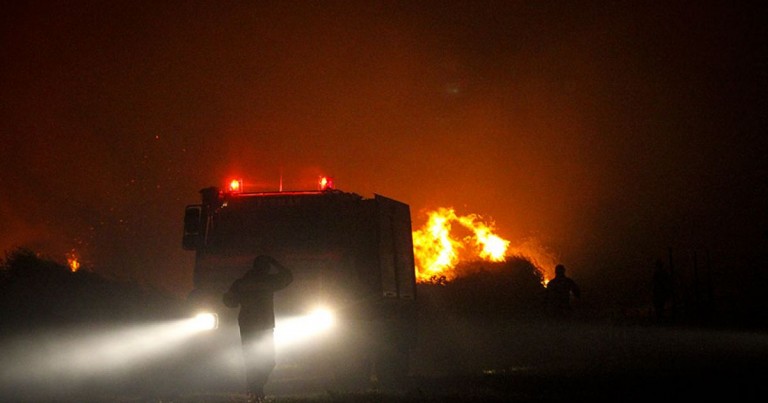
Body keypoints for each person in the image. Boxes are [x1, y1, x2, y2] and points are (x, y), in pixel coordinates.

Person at [223, 255, 293, 403]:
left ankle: (254, 390)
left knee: (251, 360)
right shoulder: (268, 281)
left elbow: (230, 301)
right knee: (268, 361)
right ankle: (257, 390)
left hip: (247, 325)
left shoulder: (242, 283)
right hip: (265, 325)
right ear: (266, 268)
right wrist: (275, 262)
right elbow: (288, 277)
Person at [652, 258, 672, 323]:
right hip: (660, 292)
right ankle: (660, 318)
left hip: (659, 292)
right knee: (660, 306)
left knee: (659, 306)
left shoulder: (658, 274)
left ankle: (659, 318)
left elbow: (654, 283)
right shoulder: (663, 273)